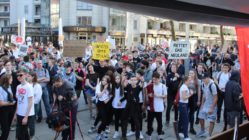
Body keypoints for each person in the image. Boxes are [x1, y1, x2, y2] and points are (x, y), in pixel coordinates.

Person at [53, 75, 78, 140]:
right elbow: (54, 92)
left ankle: (71, 137)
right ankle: (64, 137)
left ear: (60, 81)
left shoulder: (68, 85)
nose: (56, 86)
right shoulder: (55, 85)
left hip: (72, 106)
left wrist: (64, 98)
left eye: (57, 84)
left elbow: (74, 97)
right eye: (55, 84)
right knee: (63, 122)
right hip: (62, 106)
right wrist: (54, 102)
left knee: (71, 123)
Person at [120, 74, 143, 140]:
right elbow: (124, 85)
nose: (133, 81)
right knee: (124, 121)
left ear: (136, 81)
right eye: (132, 80)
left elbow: (142, 85)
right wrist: (124, 80)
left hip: (136, 107)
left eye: (134, 80)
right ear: (130, 81)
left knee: (137, 124)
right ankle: (124, 136)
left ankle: (137, 137)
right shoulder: (128, 86)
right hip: (128, 106)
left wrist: (142, 81)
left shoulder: (138, 87)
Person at [145, 72, 167, 140]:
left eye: (156, 79)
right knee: (149, 122)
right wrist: (149, 95)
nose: (154, 81)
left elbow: (165, 96)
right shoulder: (150, 85)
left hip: (159, 107)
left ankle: (159, 134)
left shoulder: (163, 86)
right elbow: (146, 94)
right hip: (151, 107)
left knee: (159, 122)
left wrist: (158, 96)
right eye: (153, 79)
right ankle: (149, 135)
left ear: (159, 79)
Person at [15, 68, 35, 140]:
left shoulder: (29, 87)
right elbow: (18, 101)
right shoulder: (18, 87)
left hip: (27, 114)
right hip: (19, 113)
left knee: (21, 134)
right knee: (24, 134)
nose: (19, 77)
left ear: (26, 75)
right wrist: (16, 113)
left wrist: (26, 117)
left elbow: (30, 102)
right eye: (17, 75)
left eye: (21, 75)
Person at [197, 72, 218, 138]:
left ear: (208, 77)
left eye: (204, 78)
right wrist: (202, 104)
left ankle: (209, 135)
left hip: (212, 105)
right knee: (200, 116)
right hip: (205, 104)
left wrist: (212, 108)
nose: (203, 80)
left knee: (211, 120)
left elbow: (216, 98)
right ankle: (202, 130)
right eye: (202, 79)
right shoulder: (203, 84)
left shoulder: (212, 85)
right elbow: (204, 94)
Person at [95, 75, 112, 140]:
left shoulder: (110, 86)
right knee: (104, 121)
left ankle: (102, 133)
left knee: (106, 120)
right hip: (100, 104)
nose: (104, 82)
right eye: (103, 80)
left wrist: (107, 99)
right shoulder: (99, 86)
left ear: (108, 82)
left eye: (105, 81)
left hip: (107, 104)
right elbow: (99, 95)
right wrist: (104, 89)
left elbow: (111, 94)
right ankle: (98, 134)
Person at [0, 74, 16, 140]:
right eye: (11, 79)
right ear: (7, 80)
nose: (12, 80)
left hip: (10, 110)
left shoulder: (9, 86)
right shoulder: (0, 89)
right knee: (5, 129)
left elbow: (11, 97)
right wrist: (11, 103)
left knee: (8, 127)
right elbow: (1, 103)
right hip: (3, 111)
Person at [178, 76, 193, 140]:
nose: (190, 81)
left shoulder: (184, 86)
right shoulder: (184, 87)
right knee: (185, 121)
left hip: (183, 104)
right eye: (189, 80)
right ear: (186, 81)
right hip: (183, 104)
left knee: (181, 119)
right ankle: (186, 136)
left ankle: (179, 131)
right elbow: (184, 98)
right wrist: (190, 94)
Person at [112, 74, 126, 139]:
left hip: (122, 106)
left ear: (120, 79)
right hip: (115, 105)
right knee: (116, 120)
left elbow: (126, 96)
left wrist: (121, 101)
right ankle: (116, 131)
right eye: (116, 79)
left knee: (123, 120)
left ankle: (123, 134)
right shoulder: (113, 86)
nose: (117, 80)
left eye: (118, 79)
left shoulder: (123, 86)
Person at [29, 72, 42, 139]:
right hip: (28, 105)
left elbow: (38, 98)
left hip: (34, 105)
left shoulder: (37, 86)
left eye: (29, 76)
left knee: (32, 121)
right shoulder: (28, 84)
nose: (28, 77)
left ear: (33, 77)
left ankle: (32, 135)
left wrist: (32, 103)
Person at [188, 70, 200, 135]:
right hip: (186, 97)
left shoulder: (197, 81)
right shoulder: (186, 80)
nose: (191, 74)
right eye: (190, 73)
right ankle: (183, 127)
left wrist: (198, 100)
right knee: (186, 113)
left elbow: (199, 91)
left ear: (195, 74)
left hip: (193, 98)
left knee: (192, 114)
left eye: (192, 73)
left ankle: (191, 128)